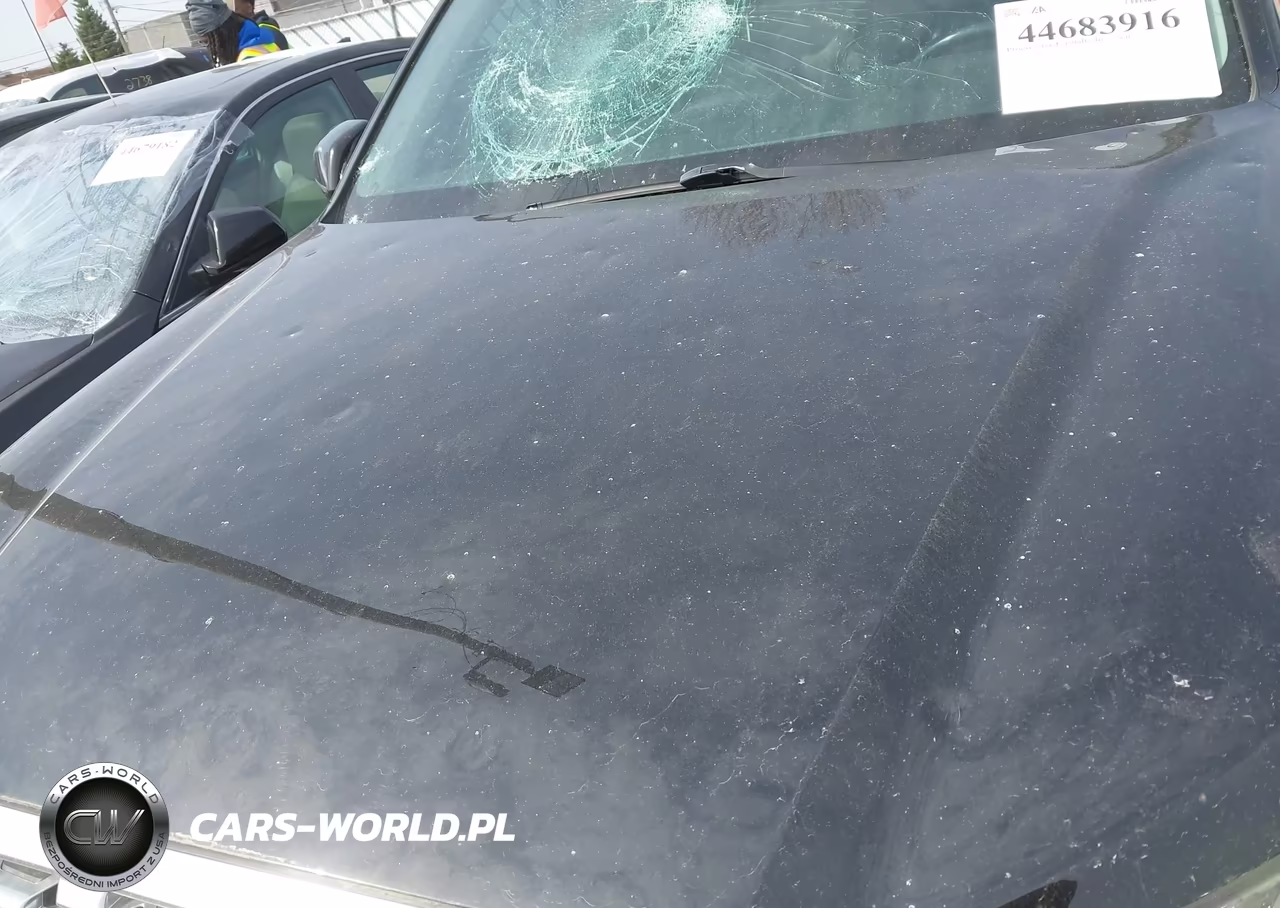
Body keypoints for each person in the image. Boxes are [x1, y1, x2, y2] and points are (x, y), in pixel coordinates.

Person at [186, 0, 281, 66]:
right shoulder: (258, 38)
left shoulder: (250, 61)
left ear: (223, 34)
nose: (208, 48)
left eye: (208, 42)